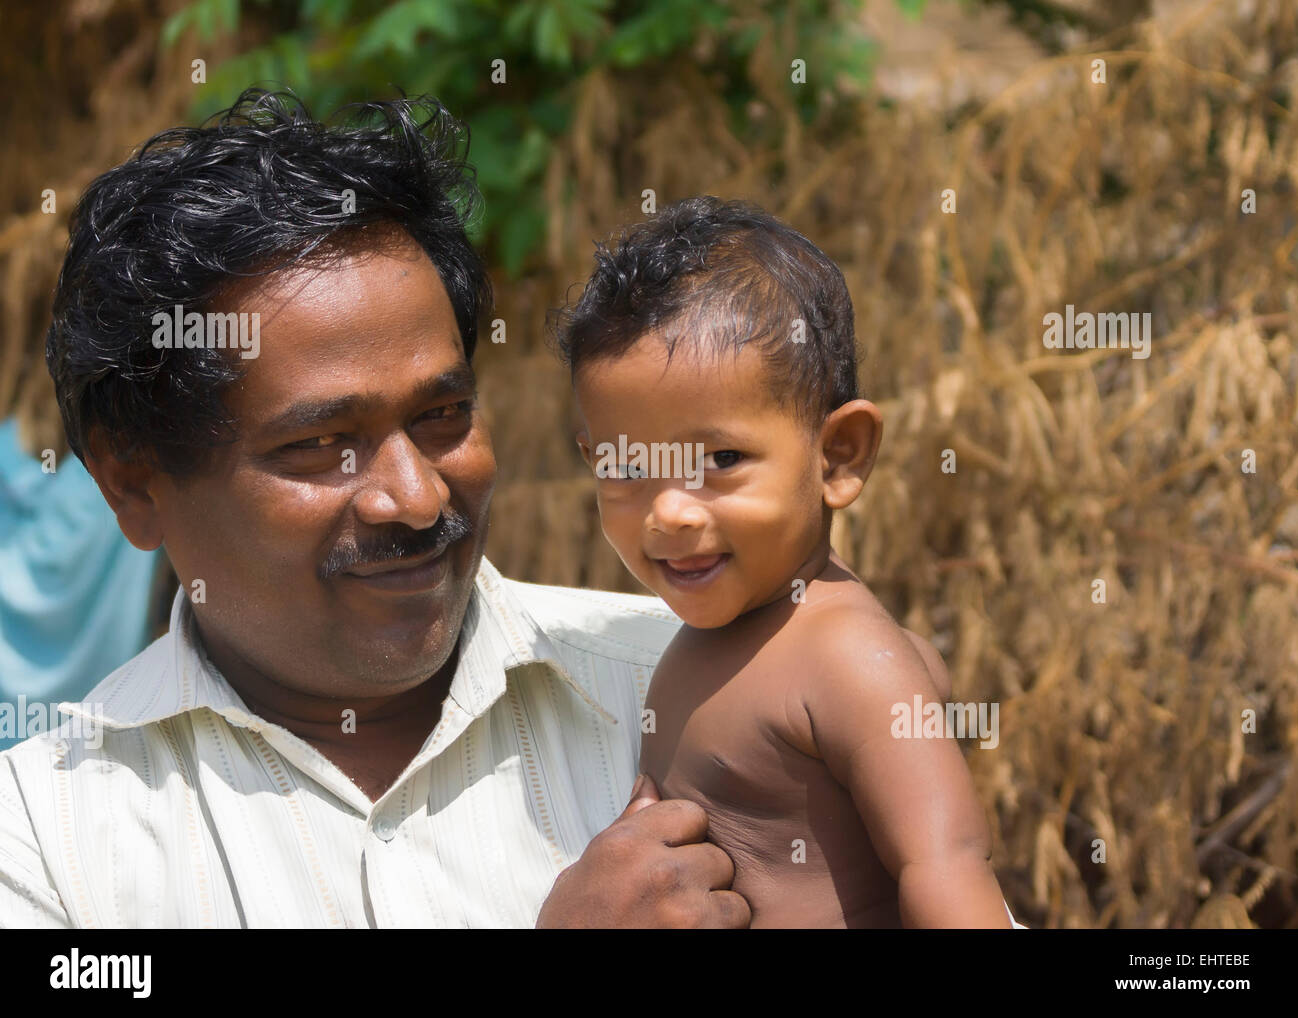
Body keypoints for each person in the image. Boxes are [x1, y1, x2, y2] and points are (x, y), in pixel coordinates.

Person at [0, 89, 946, 929]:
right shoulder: (45, 845)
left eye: (443, 416)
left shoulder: (723, 691)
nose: (416, 497)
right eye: (320, 446)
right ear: (133, 484)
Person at [553, 197, 1019, 927]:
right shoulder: (714, 635)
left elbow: (948, 867)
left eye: (722, 459)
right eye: (626, 467)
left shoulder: (847, 656)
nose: (669, 510)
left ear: (838, 455)